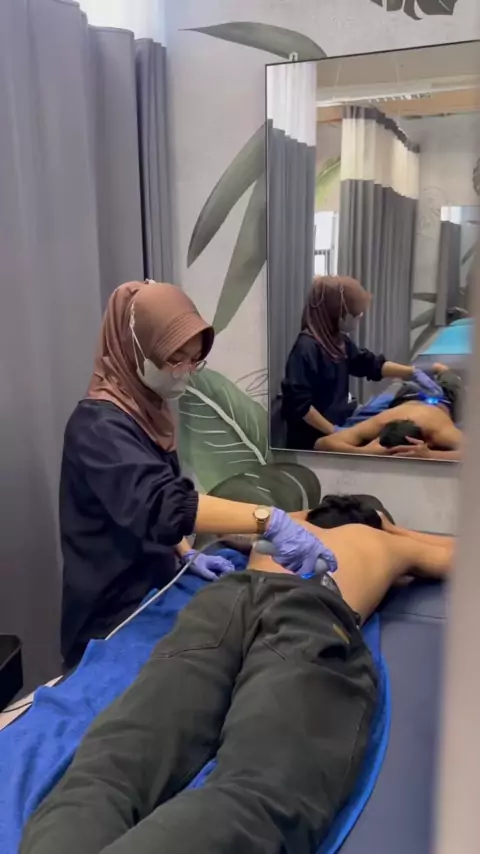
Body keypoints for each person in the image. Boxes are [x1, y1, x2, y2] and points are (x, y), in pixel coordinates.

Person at [21, 497, 452, 854]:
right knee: (263, 787)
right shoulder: (377, 540)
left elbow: (229, 531)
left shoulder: (282, 529)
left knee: (114, 765)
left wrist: (296, 516)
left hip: (221, 603)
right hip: (307, 611)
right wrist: (394, 532)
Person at [60, 280, 322, 669]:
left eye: (194, 360)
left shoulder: (146, 410)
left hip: (155, 592)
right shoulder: (99, 427)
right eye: (174, 359)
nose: (184, 372)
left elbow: (151, 495)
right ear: (134, 348)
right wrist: (268, 520)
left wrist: (185, 551)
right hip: (111, 618)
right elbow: (160, 504)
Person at [281, 276, 443, 450]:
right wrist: (335, 432)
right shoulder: (306, 349)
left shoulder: (338, 342)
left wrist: (412, 373)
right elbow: (300, 406)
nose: (359, 317)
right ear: (336, 313)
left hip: (341, 422)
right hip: (313, 440)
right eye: (355, 314)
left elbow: (370, 364)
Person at [315, 370, 463, 460]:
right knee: (408, 386)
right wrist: (363, 451)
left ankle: (442, 369)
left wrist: (431, 455)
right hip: (406, 396)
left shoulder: (439, 431)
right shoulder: (380, 422)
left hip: (443, 399)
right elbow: (322, 443)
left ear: (427, 441)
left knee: (450, 382)